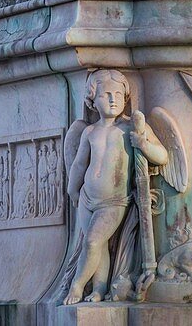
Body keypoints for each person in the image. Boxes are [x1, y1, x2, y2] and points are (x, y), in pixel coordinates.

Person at [65, 70, 167, 305]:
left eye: (118, 95)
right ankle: (99, 290)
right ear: (92, 99)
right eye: (106, 95)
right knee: (98, 247)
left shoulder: (131, 126)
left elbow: (161, 156)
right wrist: (73, 189)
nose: (113, 99)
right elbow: (80, 164)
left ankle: (77, 286)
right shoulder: (89, 131)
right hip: (87, 198)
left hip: (114, 201)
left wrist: (143, 144)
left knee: (91, 241)